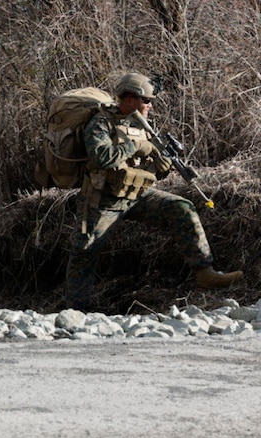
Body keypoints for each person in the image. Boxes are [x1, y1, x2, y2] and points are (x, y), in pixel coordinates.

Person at [66, 72, 243, 310]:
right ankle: (78, 309)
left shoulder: (142, 125)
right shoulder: (101, 123)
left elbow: (145, 168)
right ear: (129, 99)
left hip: (136, 194)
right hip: (102, 199)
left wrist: (160, 167)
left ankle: (205, 272)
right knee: (85, 250)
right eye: (146, 100)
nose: (150, 105)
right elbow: (102, 158)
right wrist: (136, 145)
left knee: (181, 208)